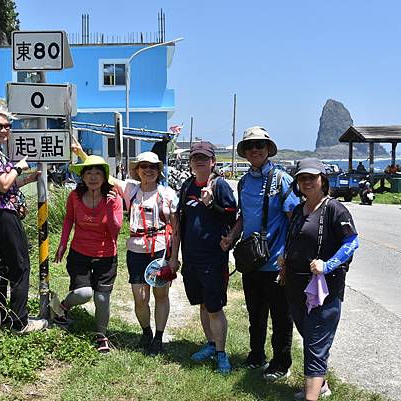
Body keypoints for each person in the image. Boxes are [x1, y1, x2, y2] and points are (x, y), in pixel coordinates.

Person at [70, 140, 178, 356]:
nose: (148, 170)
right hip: (136, 250)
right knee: (140, 297)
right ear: (137, 170)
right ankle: (146, 332)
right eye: (144, 166)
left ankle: (158, 337)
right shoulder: (131, 189)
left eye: (153, 167)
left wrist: (174, 257)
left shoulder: (167, 194)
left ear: (159, 170)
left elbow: (176, 228)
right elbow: (104, 176)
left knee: (161, 295)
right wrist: (82, 154)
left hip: (159, 250)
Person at [220, 126, 299, 380]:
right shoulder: (244, 182)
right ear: (244, 152)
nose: (255, 150)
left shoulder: (282, 180)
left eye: (260, 146)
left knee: (281, 318)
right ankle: (256, 356)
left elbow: (294, 221)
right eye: (250, 146)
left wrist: (288, 257)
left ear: (267, 149)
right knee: (255, 314)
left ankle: (281, 364)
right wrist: (231, 237)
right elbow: (244, 217)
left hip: (276, 263)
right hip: (252, 262)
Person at [279, 158, 359, 401]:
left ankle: (310, 396)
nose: (306, 182)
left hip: (323, 291)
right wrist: (284, 261)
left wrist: (328, 265)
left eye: (312, 177)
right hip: (295, 288)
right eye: (302, 177)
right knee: (311, 338)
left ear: (323, 180)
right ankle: (321, 385)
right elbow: (295, 240)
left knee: (314, 345)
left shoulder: (334, 209)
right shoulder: (298, 210)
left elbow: (352, 242)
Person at [0, 105, 47, 335]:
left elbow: (7, 184)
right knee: (20, 266)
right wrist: (18, 166)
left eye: (7, 126)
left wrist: (28, 178)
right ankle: (20, 322)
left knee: (1, 268)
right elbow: (4, 184)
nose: (4, 130)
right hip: (4, 216)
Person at [169, 141, 237, 374]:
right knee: (202, 304)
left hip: (213, 259)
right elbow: (180, 223)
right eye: (195, 158)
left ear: (213, 162)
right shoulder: (187, 185)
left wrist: (211, 205)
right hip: (191, 259)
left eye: (204, 158)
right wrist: (174, 255)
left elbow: (232, 219)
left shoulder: (220, 186)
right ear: (190, 163)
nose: (199, 161)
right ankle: (210, 344)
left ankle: (221, 354)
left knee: (215, 308)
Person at [53, 155, 123, 353]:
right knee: (84, 293)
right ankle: (63, 307)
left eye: (98, 173)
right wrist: (62, 244)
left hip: (106, 255)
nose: (93, 177)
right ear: (82, 177)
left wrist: (109, 209)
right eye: (89, 173)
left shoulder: (114, 198)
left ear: (104, 176)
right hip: (79, 253)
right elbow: (69, 220)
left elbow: (116, 230)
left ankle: (101, 336)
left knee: (102, 299)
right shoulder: (74, 197)